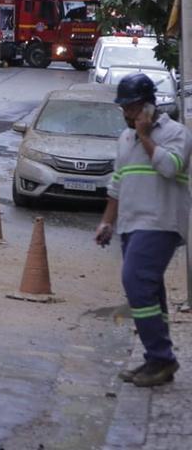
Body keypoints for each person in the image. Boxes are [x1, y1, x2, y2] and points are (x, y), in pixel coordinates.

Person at [96, 73, 192, 387]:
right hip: (130, 225)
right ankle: (156, 360)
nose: (127, 114)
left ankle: (162, 357)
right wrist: (107, 221)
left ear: (149, 106)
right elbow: (118, 183)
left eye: (134, 108)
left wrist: (147, 137)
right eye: (124, 108)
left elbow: (170, 167)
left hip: (161, 222)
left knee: (136, 280)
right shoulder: (125, 139)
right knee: (151, 290)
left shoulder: (176, 133)